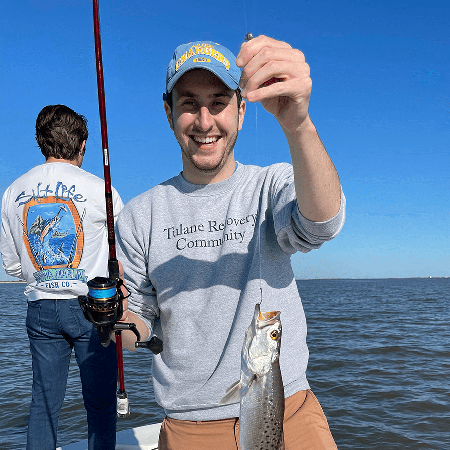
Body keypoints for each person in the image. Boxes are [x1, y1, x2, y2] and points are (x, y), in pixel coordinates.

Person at [116, 36, 346, 449]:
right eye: (189, 103)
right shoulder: (138, 215)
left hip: (287, 409)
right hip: (190, 427)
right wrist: (114, 321)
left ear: (241, 110)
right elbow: (140, 325)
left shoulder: (270, 185)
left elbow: (322, 223)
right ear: (168, 113)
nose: (205, 122)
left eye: (218, 102)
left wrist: (299, 125)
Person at [0, 105, 123, 450]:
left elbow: (11, 267)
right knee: (100, 406)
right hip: (94, 312)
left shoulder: (12, 192)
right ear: (82, 144)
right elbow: (128, 253)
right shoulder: (103, 190)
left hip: (39, 310)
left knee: (43, 405)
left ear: (41, 144)